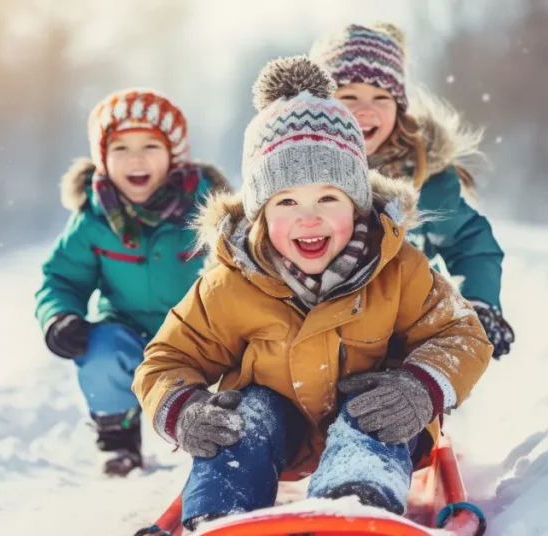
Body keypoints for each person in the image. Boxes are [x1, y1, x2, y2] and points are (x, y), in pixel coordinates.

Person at [133, 56, 492, 530]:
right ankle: (220, 512)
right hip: (274, 432)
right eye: (286, 202)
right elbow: (164, 359)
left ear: (358, 204)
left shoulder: (398, 267)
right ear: (260, 214)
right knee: (240, 417)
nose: (308, 218)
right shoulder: (231, 281)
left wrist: (420, 388)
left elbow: (463, 334)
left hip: (376, 417)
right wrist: (183, 410)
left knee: (377, 413)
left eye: (329, 197)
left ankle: (354, 504)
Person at [34, 88, 229, 476]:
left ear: (174, 157)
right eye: (120, 147)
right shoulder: (93, 218)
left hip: (202, 332)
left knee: (244, 364)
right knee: (101, 352)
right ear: (102, 158)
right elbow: (62, 278)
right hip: (129, 329)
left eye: (150, 146)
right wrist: (58, 317)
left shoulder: (209, 209)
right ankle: (117, 438)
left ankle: (226, 431)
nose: (135, 158)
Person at [310, 22, 515, 359]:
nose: (366, 110)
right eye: (348, 97)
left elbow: (471, 242)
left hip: (397, 340)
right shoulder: (293, 171)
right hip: (308, 339)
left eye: (381, 97)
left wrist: (481, 302)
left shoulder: (422, 182)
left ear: (400, 106)